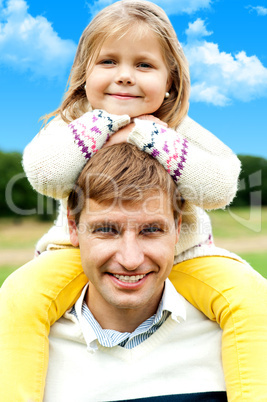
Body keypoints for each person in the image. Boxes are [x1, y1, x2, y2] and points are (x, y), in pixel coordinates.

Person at [0, 1, 266, 401]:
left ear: (170, 81)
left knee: (250, 296)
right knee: (20, 296)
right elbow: (44, 173)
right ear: (84, 75)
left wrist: (149, 134)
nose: (125, 77)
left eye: (144, 65)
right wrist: (105, 122)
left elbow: (221, 185)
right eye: (108, 62)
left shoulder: (176, 126)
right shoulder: (77, 120)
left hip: (187, 254)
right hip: (79, 253)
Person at [44, 142, 228, 401]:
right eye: (106, 230)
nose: (130, 260)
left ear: (177, 228)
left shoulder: (233, 339)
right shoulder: (27, 347)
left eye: (151, 230)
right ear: (73, 228)